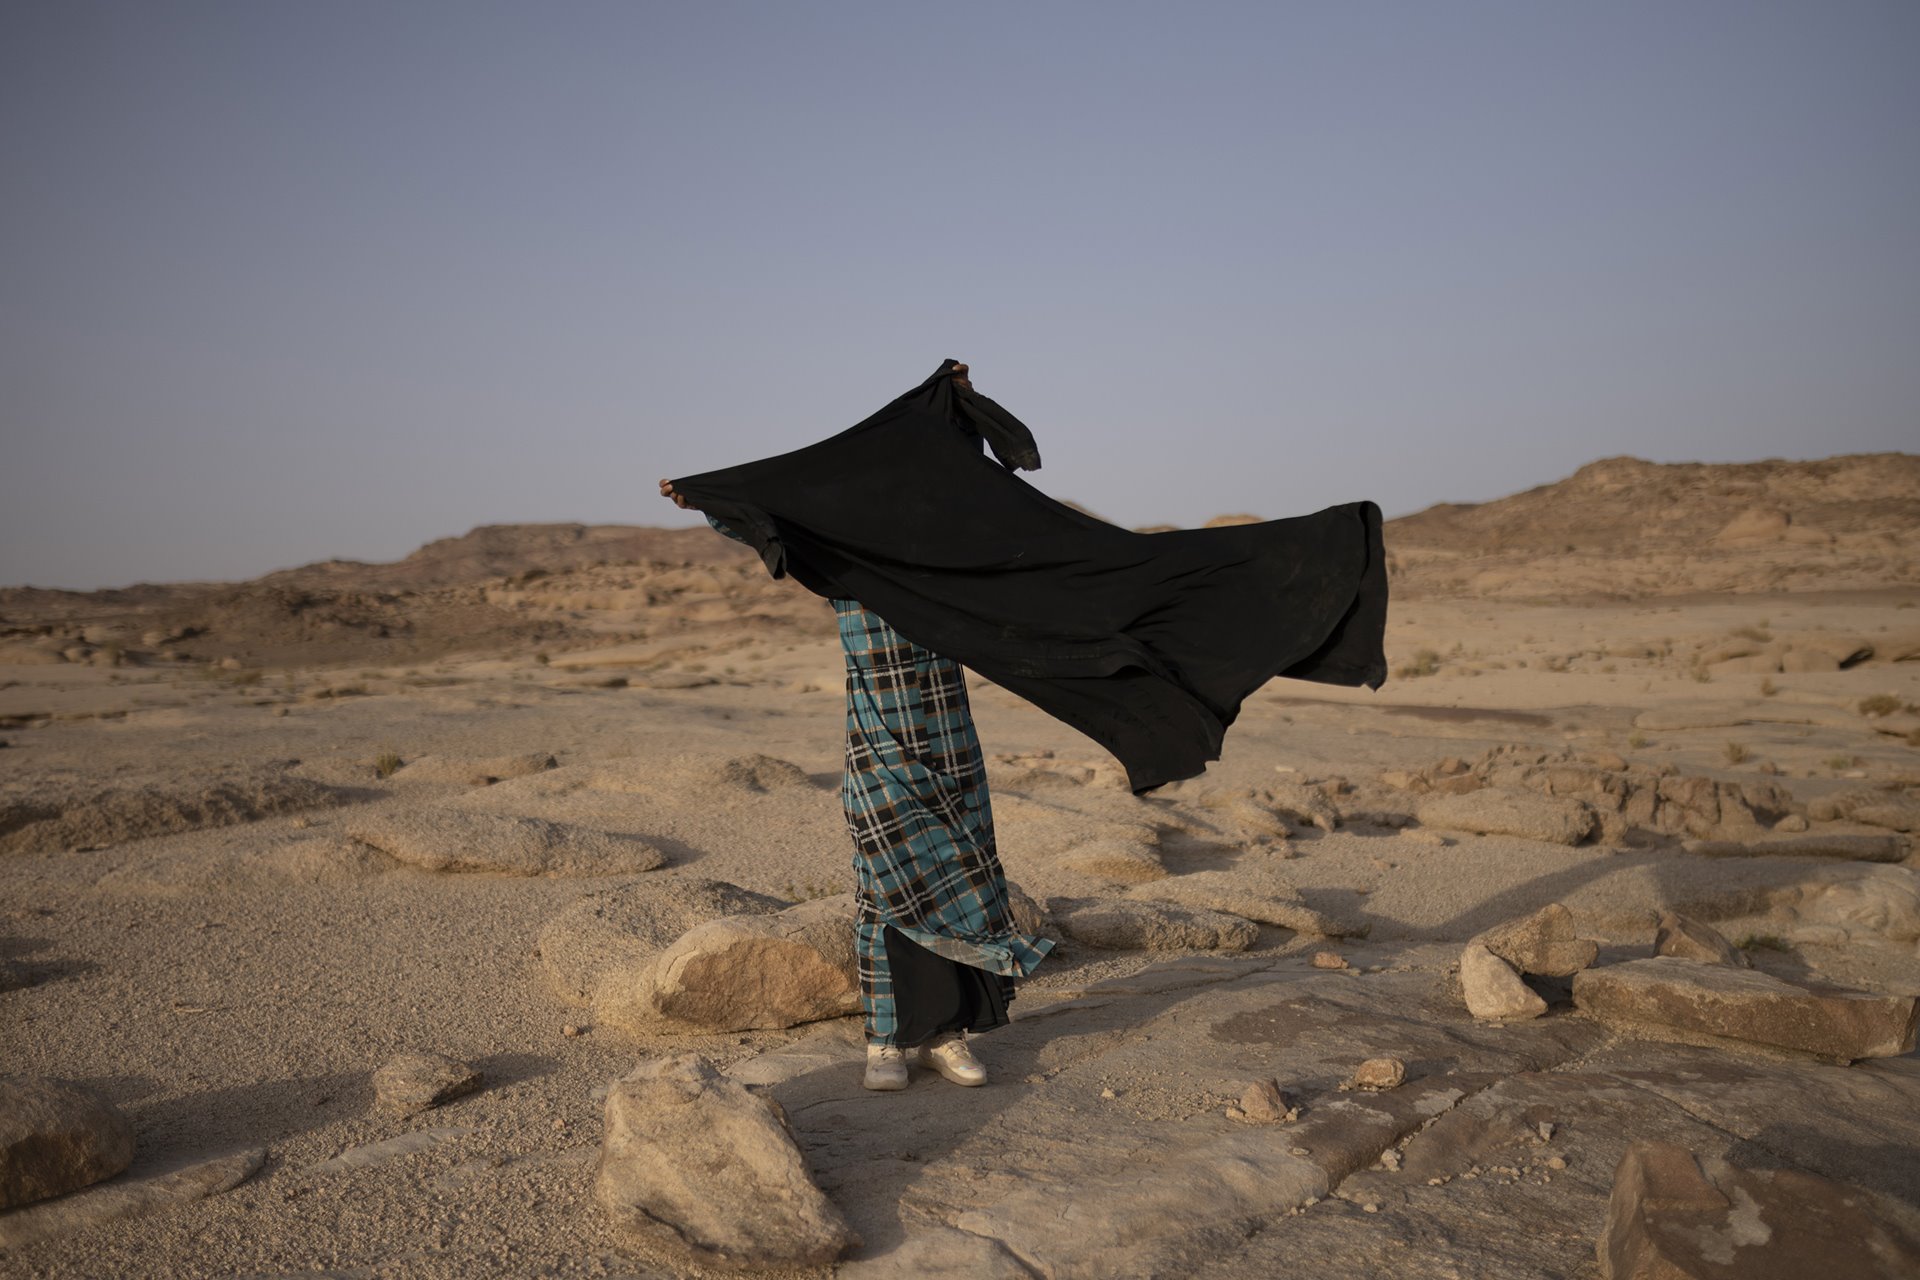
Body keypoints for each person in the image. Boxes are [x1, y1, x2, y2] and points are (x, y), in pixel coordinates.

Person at [659, 376, 1053, 1091]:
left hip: (950, 747)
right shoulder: (844, 572)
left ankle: (950, 1036)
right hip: (878, 746)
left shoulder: (946, 574)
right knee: (883, 889)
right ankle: (884, 1043)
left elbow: (987, 502)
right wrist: (704, 499)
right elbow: (772, 516)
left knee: (959, 875)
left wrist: (961, 407)